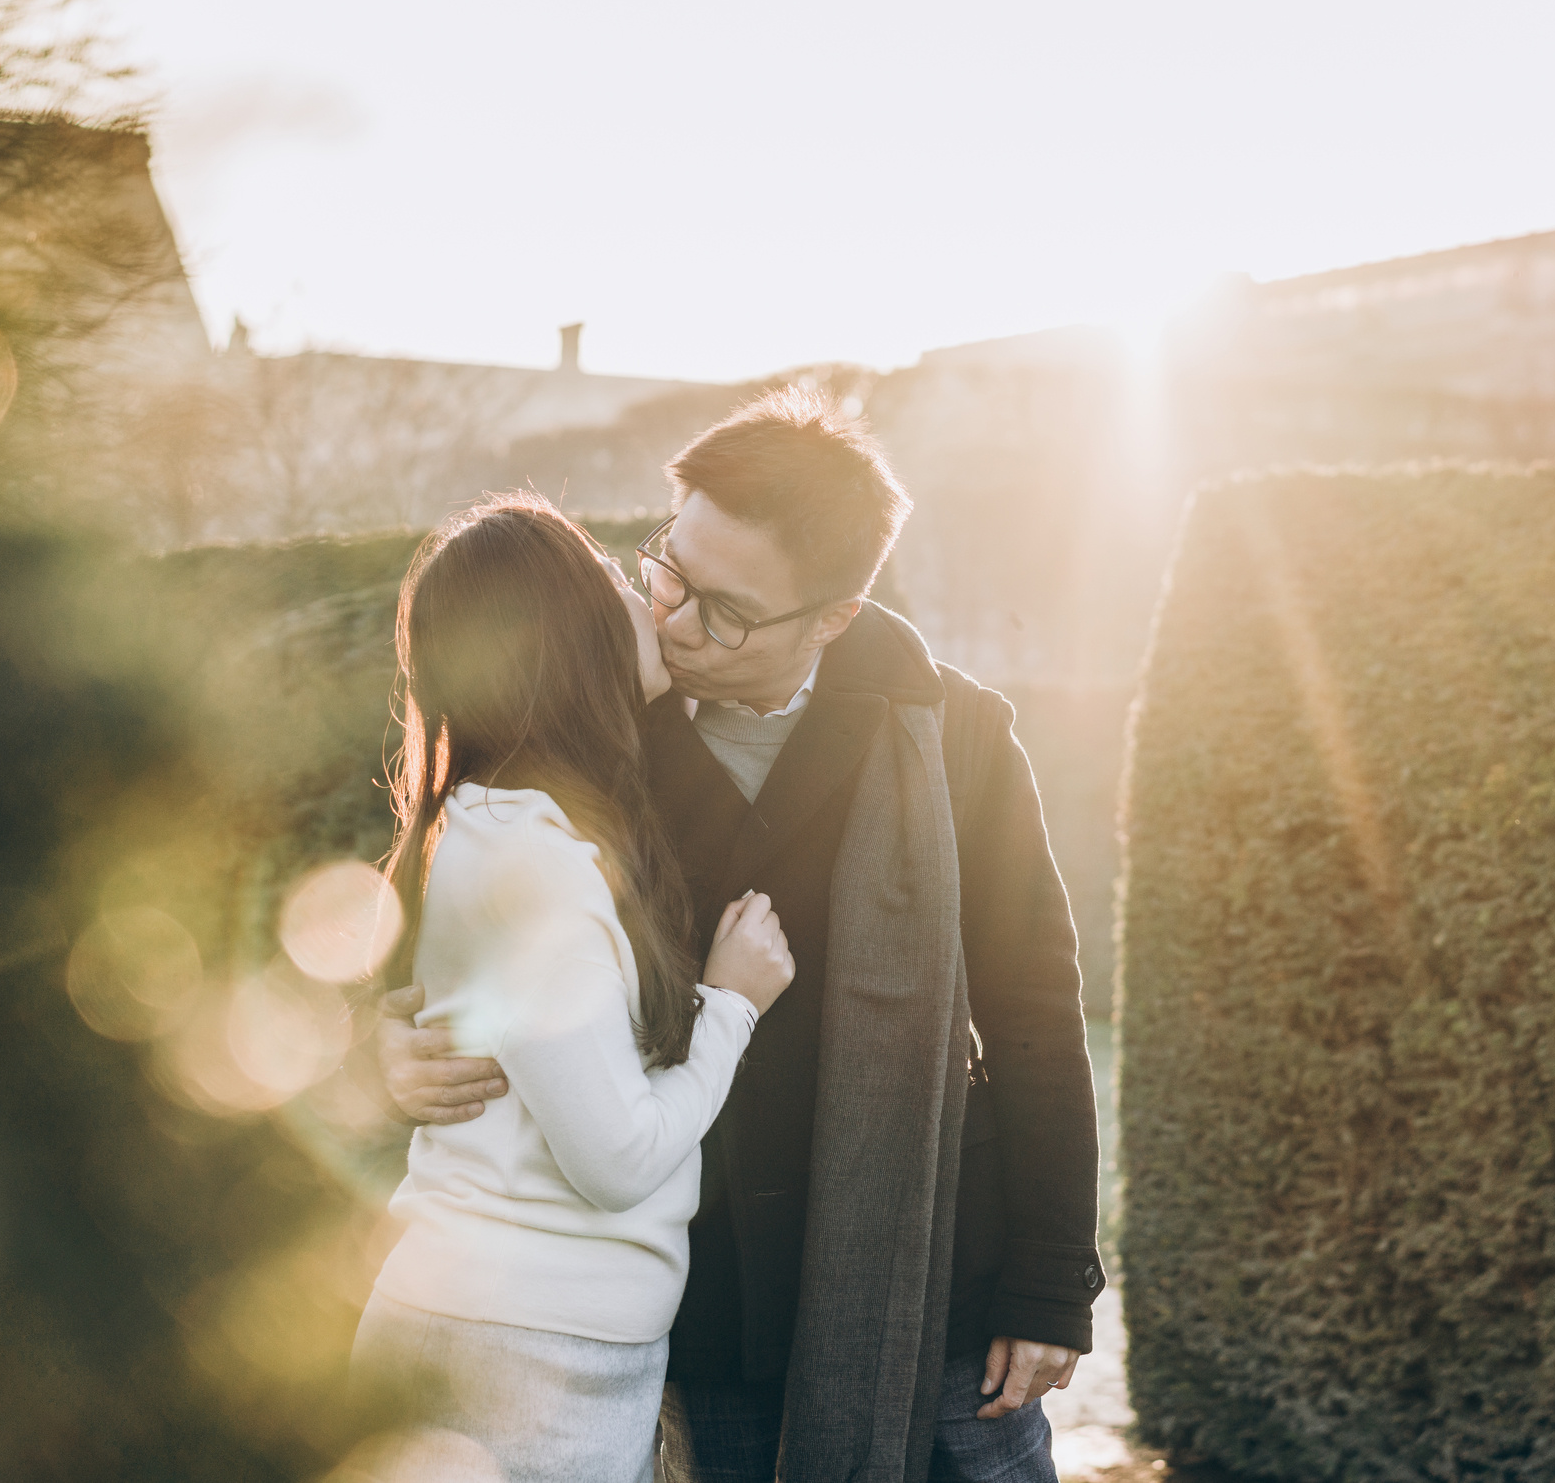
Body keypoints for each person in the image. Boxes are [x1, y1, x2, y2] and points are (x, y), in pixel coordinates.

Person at [383, 390, 1103, 1483]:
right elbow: (447, 934)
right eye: (667, 567)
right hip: (704, 1304)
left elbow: (1037, 1011)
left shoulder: (956, 736)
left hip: (929, 1281)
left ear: (832, 615)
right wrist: (389, 1047)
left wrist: (1050, 1278)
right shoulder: (592, 724)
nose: (671, 619)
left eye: (722, 610)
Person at [351, 495, 799, 1483]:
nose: (646, 597)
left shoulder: (506, 828)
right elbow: (616, 1156)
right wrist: (731, 1005)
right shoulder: (528, 856)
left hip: (533, 1345)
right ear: (565, 640)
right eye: (613, 579)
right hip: (515, 1357)